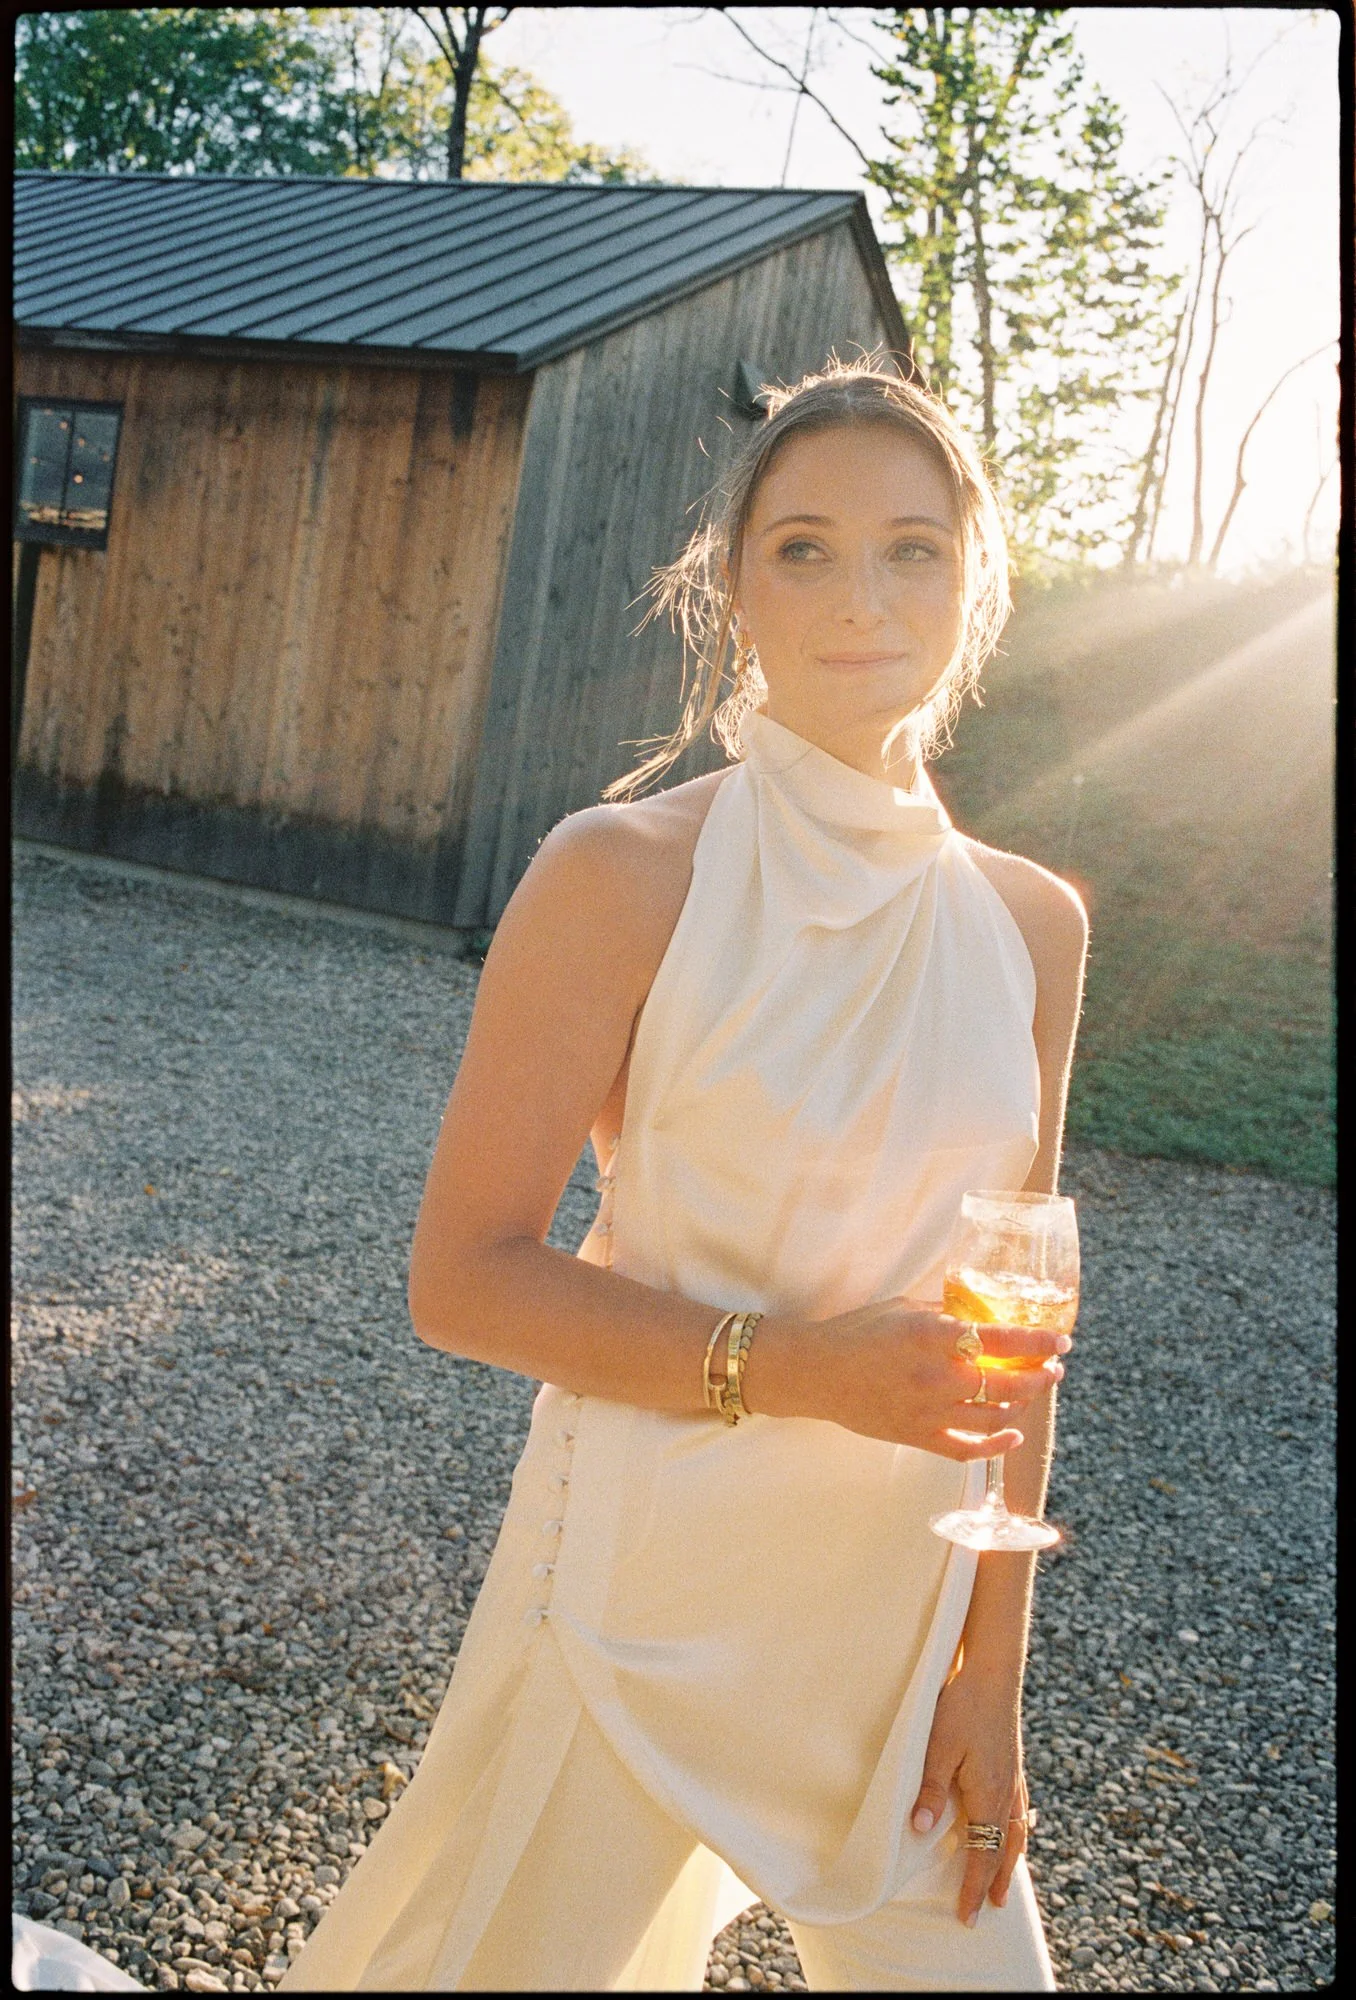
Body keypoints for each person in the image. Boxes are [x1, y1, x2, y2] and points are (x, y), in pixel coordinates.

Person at [280, 356, 1088, 1993]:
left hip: (896, 1624)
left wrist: (989, 1666)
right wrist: (803, 1372)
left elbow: (1023, 1319)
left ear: (977, 581)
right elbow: (464, 1277)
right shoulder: (624, 874)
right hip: (636, 1605)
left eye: (913, 548)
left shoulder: (1033, 925)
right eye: (803, 546)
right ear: (735, 590)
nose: (861, 593)